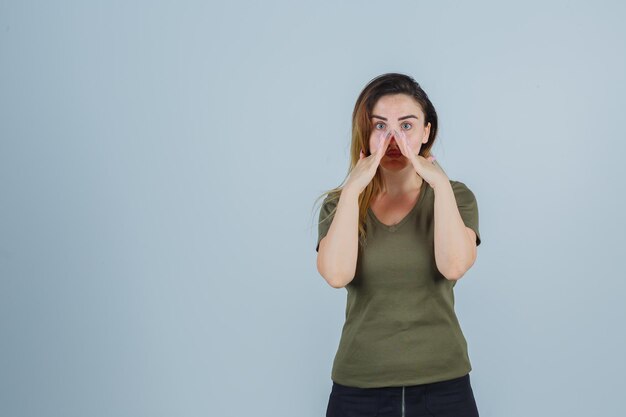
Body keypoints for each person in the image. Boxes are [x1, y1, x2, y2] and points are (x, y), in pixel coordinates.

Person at [315, 73, 482, 417]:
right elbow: (335, 274)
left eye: (406, 126)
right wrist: (351, 191)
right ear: (365, 132)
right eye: (380, 126)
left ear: (426, 132)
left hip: (444, 386)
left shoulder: (455, 196)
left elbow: (453, 266)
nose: (393, 138)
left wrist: (439, 184)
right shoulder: (340, 204)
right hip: (359, 387)